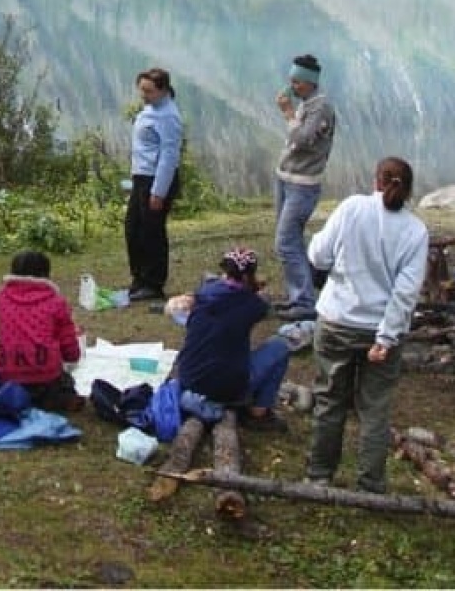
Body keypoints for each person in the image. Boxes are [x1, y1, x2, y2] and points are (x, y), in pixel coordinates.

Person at [305, 156, 429, 493]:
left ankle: (319, 474)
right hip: (379, 333)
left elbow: (318, 256)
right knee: (375, 409)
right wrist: (386, 338)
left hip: (336, 321)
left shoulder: (352, 209)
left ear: (377, 180)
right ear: (408, 190)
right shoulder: (416, 231)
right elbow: (406, 294)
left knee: (330, 400)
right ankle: (370, 483)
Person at [172, 247, 291, 430]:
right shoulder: (254, 305)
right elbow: (262, 303)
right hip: (228, 389)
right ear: (247, 276)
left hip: (188, 380)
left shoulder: (202, 294)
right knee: (280, 346)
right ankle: (259, 413)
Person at [272, 53, 337, 322]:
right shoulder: (307, 104)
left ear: (311, 83)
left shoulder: (320, 108)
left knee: (285, 242)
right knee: (291, 240)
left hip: (303, 184)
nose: (292, 87)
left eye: (297, 82)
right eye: (291, 81)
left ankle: (305, 302)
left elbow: (302, 139)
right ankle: (300, 294)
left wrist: (288, 113)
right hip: (286, 179)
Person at [0, 250, 84, 412]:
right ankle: (60, 400)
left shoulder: (1, 298)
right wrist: (73, 357)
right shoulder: (55, 302)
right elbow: (68, 344)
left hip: (7, 377)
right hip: (45, 377)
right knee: (64, 382)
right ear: (45, 274)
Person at [126, 67, 182, 302]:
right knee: (133, 228)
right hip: (141, 176)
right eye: (142, 90)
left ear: (162, 90)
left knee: (152, 232)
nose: (143, 95)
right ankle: (139, 277)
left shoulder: (168, 116)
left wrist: (158, 191)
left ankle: (154, 282)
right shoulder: (151, 109)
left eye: (148, 91)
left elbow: (169, 155)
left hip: (156, 178)